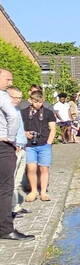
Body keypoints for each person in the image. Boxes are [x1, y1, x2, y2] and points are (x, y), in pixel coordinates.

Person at [0, 69, 33, 241]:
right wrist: (11, 139)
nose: (10, 82)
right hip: (4, 146)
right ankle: (5, 229)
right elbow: (12, 117)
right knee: (5, 188)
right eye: (8, 79)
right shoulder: (3, 96)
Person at [22, 91, 55, 204]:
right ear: (30, 100)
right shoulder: (23, 112)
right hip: (29, 145)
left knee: (44, 168)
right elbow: (19, 127)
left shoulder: (48, 113)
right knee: (31, 168)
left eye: (40, 102)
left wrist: (49, 143)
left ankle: (43, 192)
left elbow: (53, 129)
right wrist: (25, 133)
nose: (38, 104)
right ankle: (33, 191)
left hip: (44, 145)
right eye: (36, 102)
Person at [7, 87, 28, 218]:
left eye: (20, 97)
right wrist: (13, 144)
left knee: (18, 180)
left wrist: (25, 135)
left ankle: (16, 206)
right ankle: (11, 209)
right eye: (15, 97)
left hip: (22, 146)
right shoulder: (5, 112)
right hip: (14, 148)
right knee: (11, 180)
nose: (18, 100)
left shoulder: (16, 110)